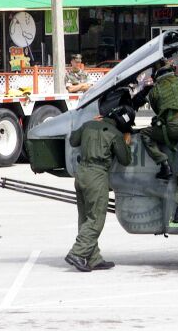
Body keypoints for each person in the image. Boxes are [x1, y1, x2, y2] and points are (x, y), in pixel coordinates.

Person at [64, 105, 134, 272]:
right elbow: (125, 160)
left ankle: (93, 258)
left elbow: (73, 140)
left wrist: (86, 124)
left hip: (81, 174)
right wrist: (126, 143)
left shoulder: (88, 125)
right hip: (97, 176)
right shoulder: (115, 134)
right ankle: (77, 253)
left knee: (85, 217)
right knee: (96, 219)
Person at [137, 59, 178, 223]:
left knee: (145, 133)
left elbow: (159, 112)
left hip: (174, 126)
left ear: (155, 77)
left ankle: (164, 164)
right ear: (172, 70)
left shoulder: (154, 92)